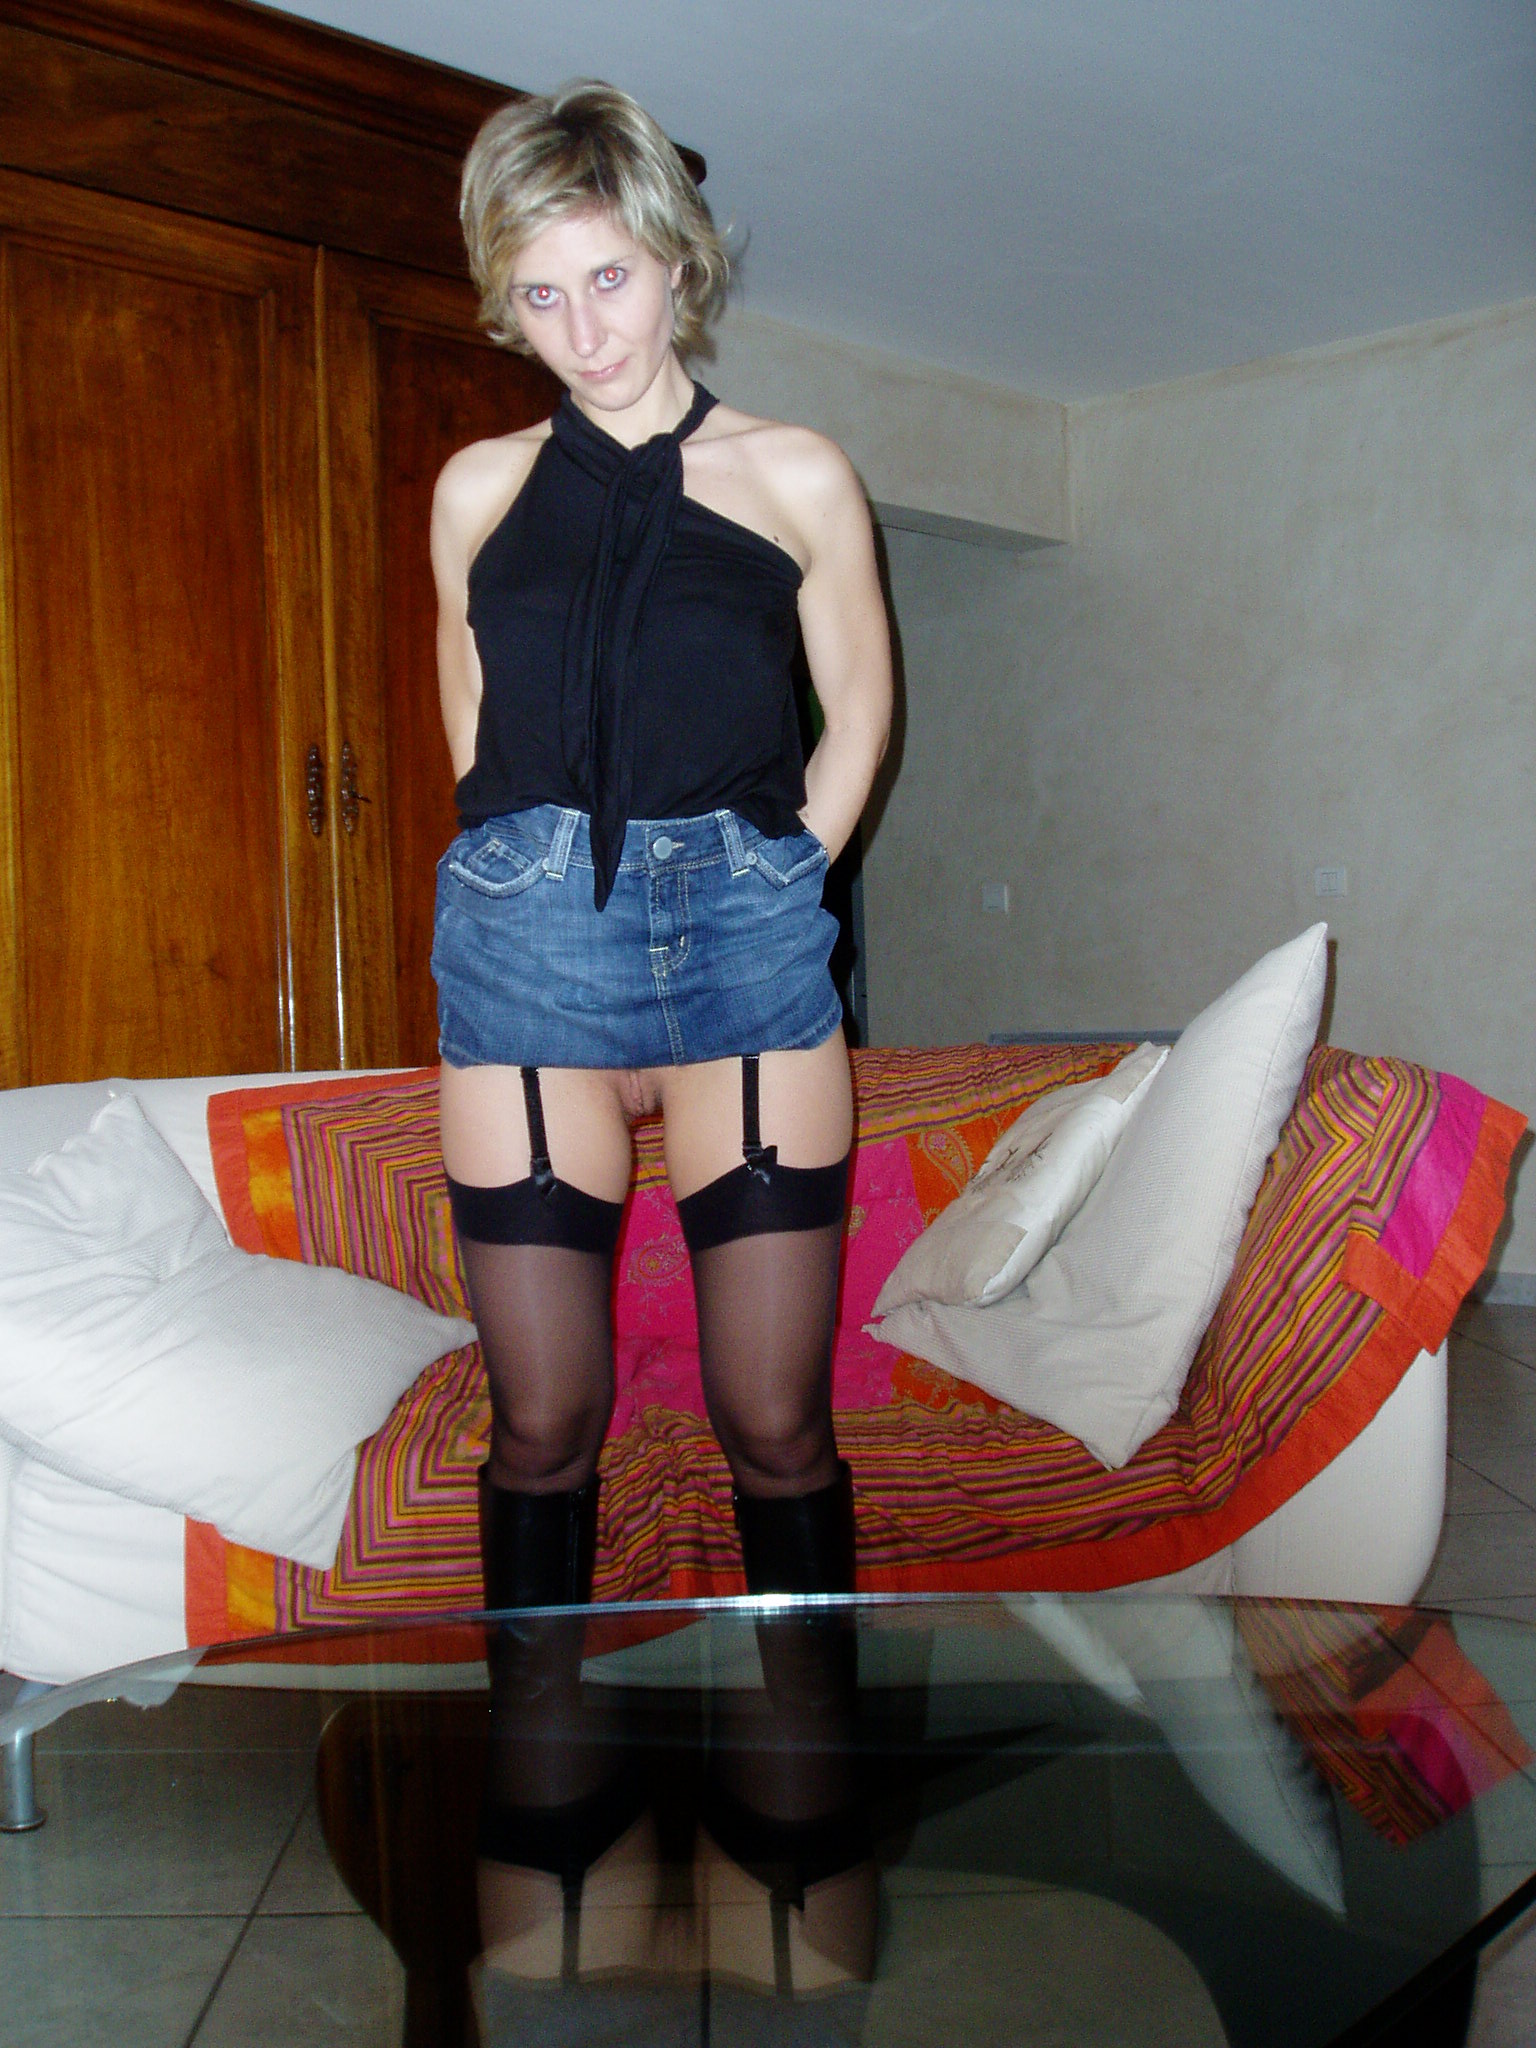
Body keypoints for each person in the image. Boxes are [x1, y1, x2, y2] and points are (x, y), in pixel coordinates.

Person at [430, 78, 889, 1998]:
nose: (583, 327)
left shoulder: (798, 473)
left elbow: (857, 713)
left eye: (609, 279)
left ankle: (813, 1793)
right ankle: (536, 1800)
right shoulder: (475, 490)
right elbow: (474, 728)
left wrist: (784, 885)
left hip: (746, 948)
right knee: (546, 1422)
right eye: (541, 296)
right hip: (528, 945)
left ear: (678, 267)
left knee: (771, 1417)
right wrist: (536, 901)